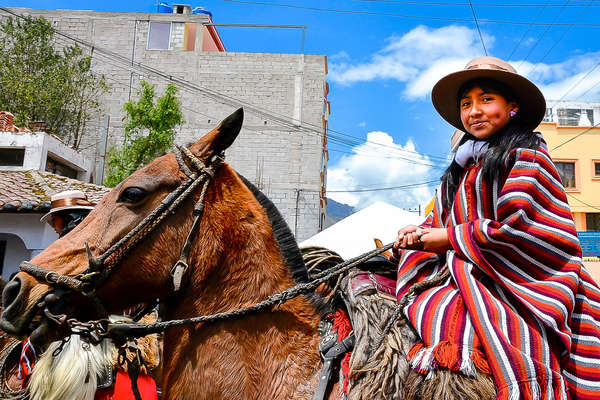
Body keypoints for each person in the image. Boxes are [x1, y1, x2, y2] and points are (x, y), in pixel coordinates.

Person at [392, 56, 600, 399]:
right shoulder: (458, 171)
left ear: (512, 106)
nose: (475, 111)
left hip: (520, 277)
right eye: (466, 103)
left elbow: (524, 229)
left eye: (486, 99)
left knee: (505, 335)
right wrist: (415, 233)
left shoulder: (528, 158)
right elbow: (439, 220)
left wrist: (449, 238)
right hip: (463, 267)